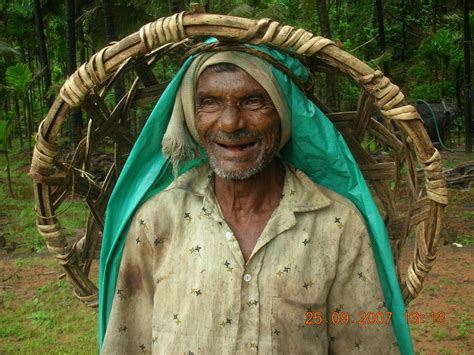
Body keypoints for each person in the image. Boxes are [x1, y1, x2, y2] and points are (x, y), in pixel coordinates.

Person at [99, 44, 413, 354]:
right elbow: (128, 340)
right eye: (209, 102)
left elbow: (364, 343)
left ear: (282, 112)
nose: (230, 123)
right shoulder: (157, 219)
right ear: (191, 116)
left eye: (253, 101)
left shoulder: (336, 224)